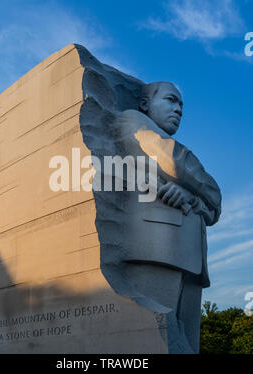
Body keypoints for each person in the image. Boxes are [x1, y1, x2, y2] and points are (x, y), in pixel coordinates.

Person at [113, 81, 221, 353]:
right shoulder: (132, 120)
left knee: (185, 344)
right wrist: (211, 191)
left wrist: (193, 196)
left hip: (189, 258)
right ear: (145, 104)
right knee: (157, 340)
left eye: (182, 105)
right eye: (172, 100)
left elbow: (210, 211)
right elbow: (174, 159)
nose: (179, 109)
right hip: (158, 250)